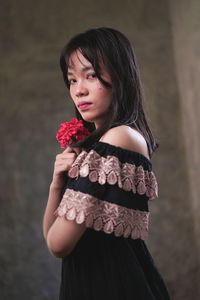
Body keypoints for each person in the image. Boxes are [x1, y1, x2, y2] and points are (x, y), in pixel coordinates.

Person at [43, 27, 171, 300]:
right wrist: (57, 184)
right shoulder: (103, 144)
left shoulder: (119, 138)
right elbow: (51, 237)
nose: (79, 90)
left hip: (112, 285)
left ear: (120, 75)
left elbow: (58, 244)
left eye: (90, 75)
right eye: (72, 80)